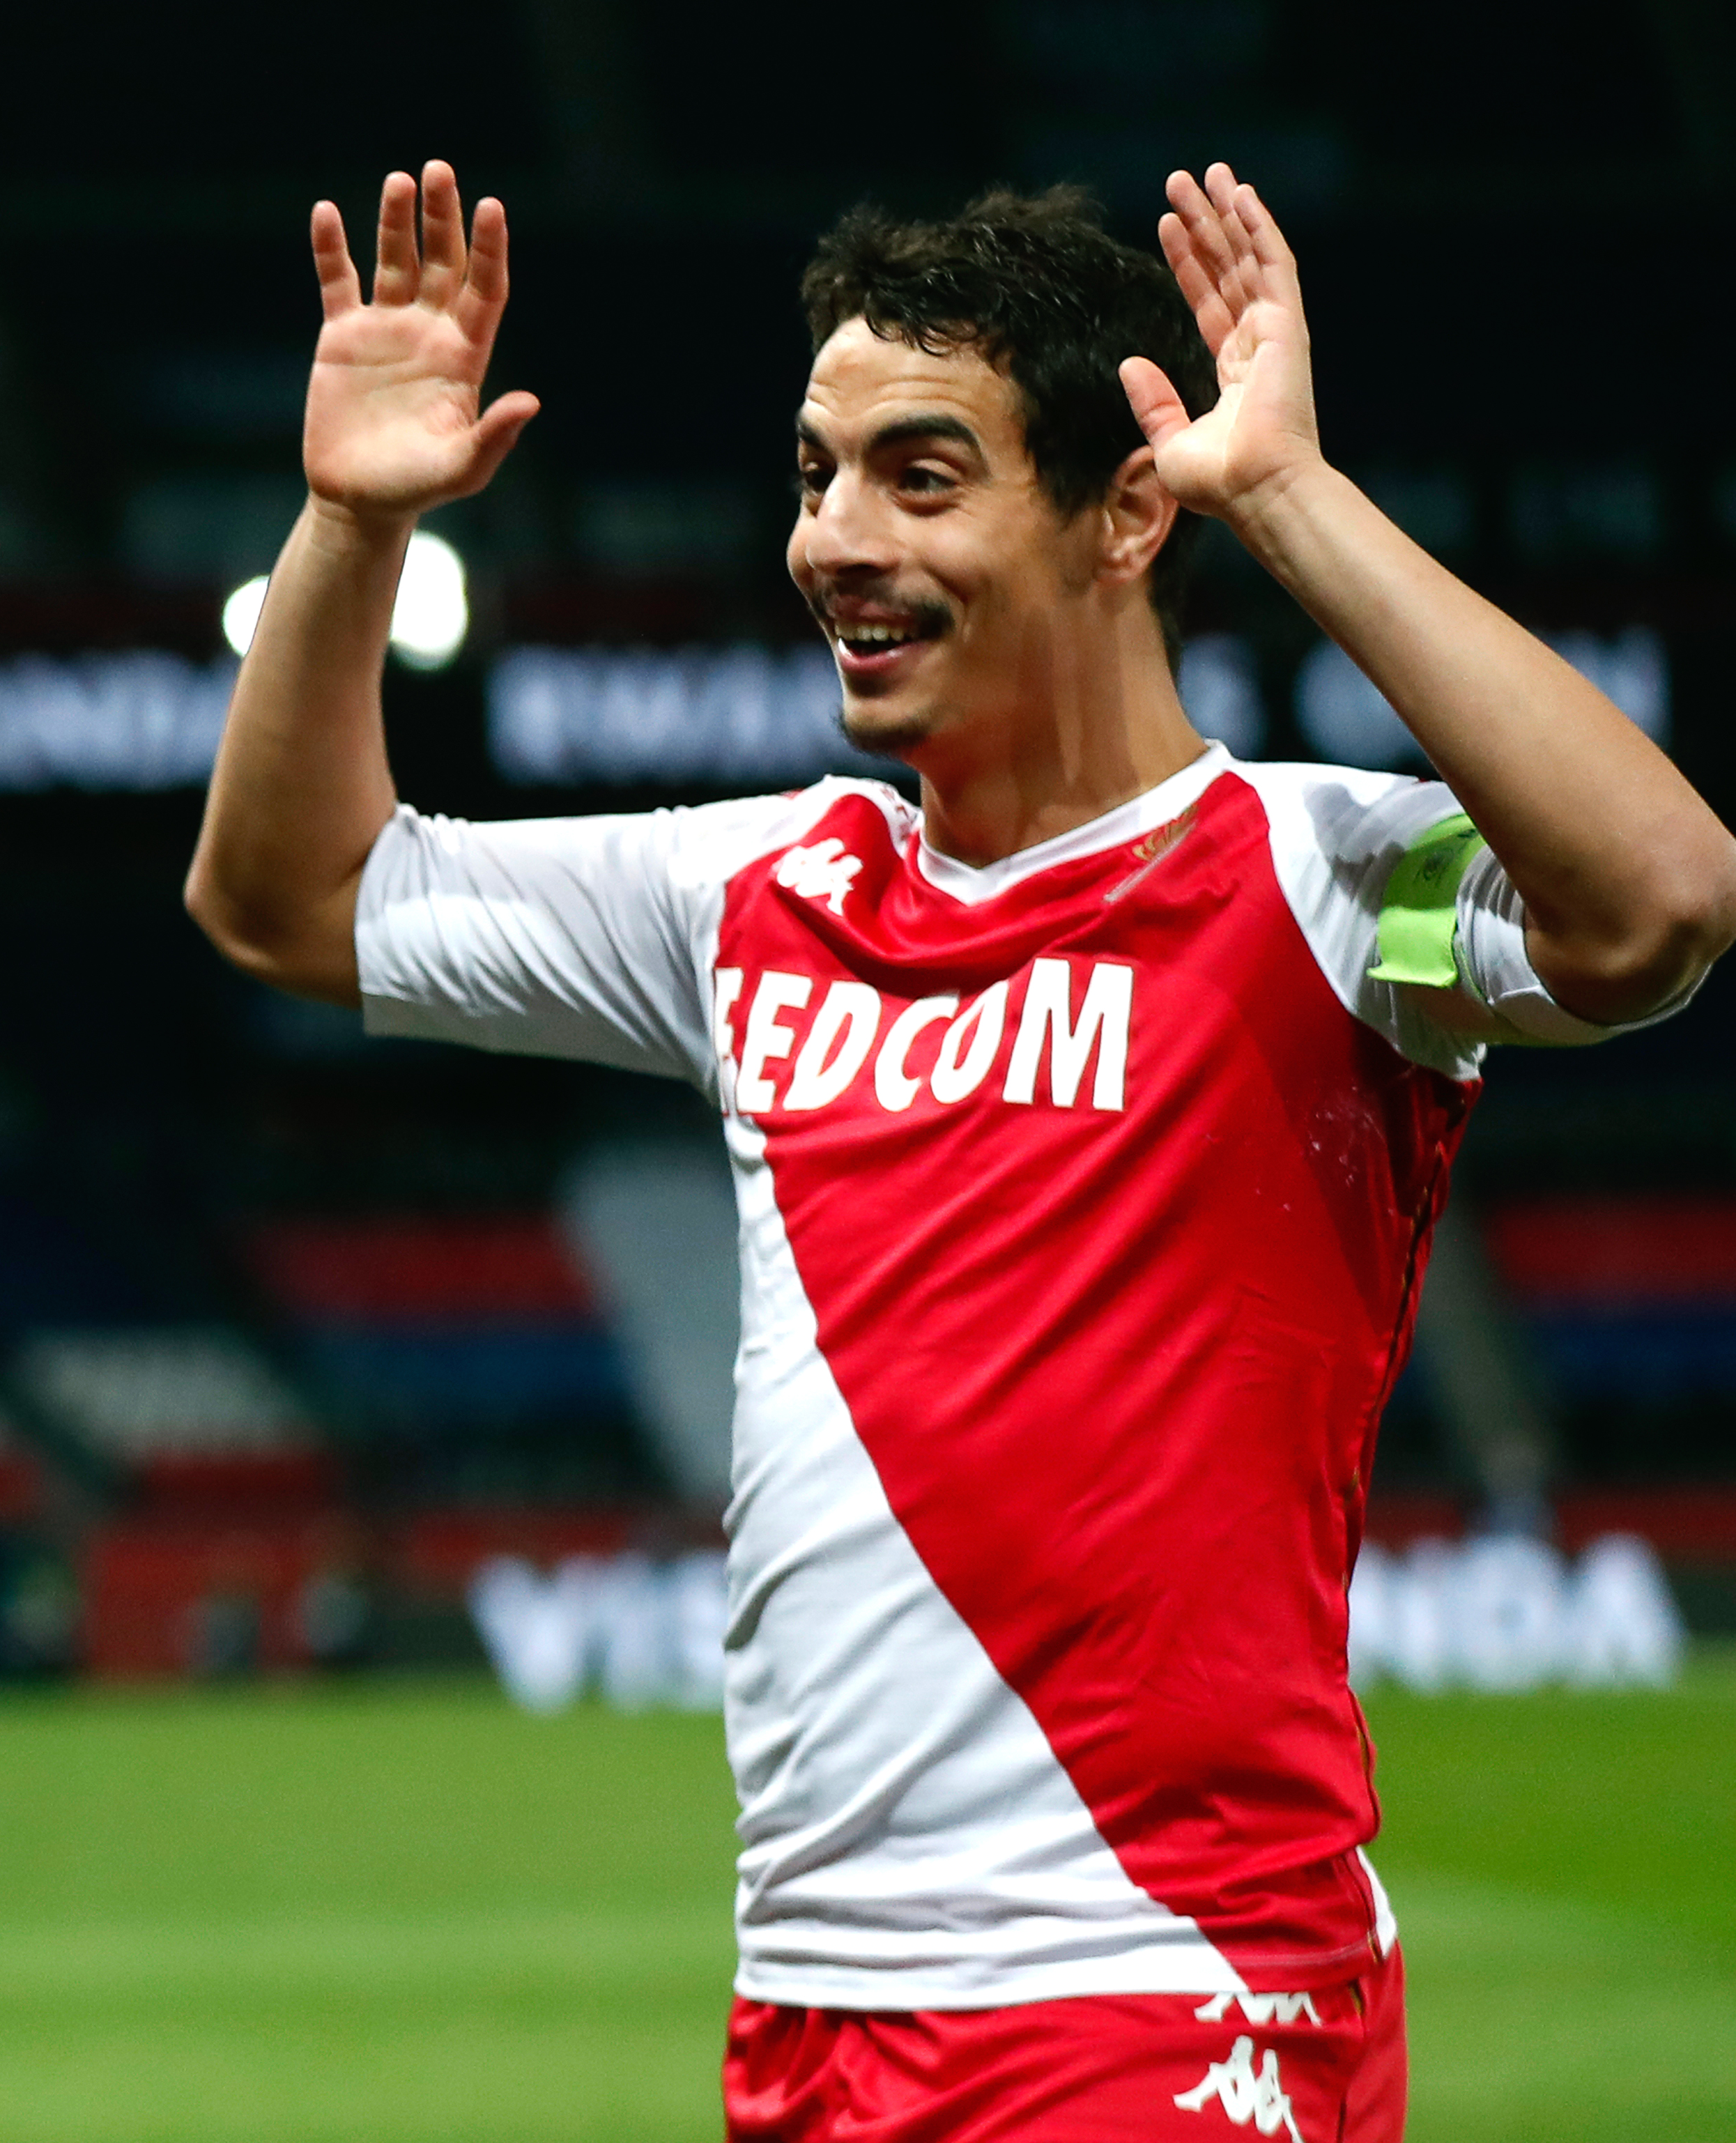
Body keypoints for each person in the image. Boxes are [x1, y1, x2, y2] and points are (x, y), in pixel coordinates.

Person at [185, 160, 1736, 2142]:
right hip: (819, 2004)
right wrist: (355, 518)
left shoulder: (1322, 880)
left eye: (922, 476)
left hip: (1165, 1983)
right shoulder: (753, 890)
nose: (835, 537)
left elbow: (1664, 899)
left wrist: (1294, 497)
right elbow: (289, 895)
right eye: (818, 472)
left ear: (1124, 513)